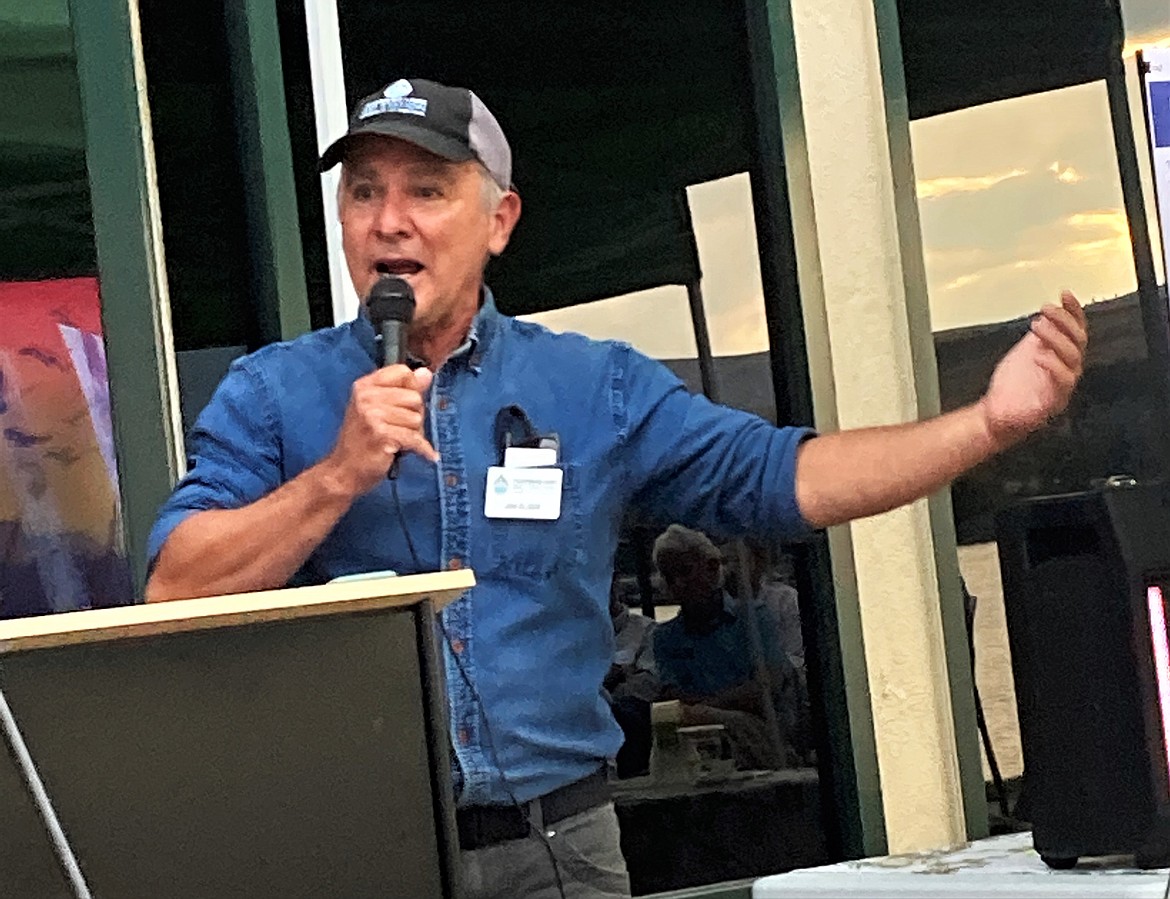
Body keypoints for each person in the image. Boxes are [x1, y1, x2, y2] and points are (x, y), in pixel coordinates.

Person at [144, 76, 1089, 899]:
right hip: (347, 850)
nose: (389, 220)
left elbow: (782, 476)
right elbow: (175, 587)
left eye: (426, 191)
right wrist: (335, 476)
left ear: (499, 220)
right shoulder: (271, 392)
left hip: (558, 848)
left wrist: (985, 425)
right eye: (364, 193)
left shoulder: (595, 387)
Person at [652, 525, 800, 771]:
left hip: (757, 734)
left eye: (685, 571)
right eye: (669, 577)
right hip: (692, 742)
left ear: (711, 568)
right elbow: (672, 698)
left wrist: (706, 709)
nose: (679, 583)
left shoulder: (754, 620)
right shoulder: (665, 637)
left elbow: (766, 688)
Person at [603, 578, 658, 778]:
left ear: (615, 584)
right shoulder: (569, 639)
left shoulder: (647, 630)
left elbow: (648, 687)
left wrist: (602, 684)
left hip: (629, 723)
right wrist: (619, 673)